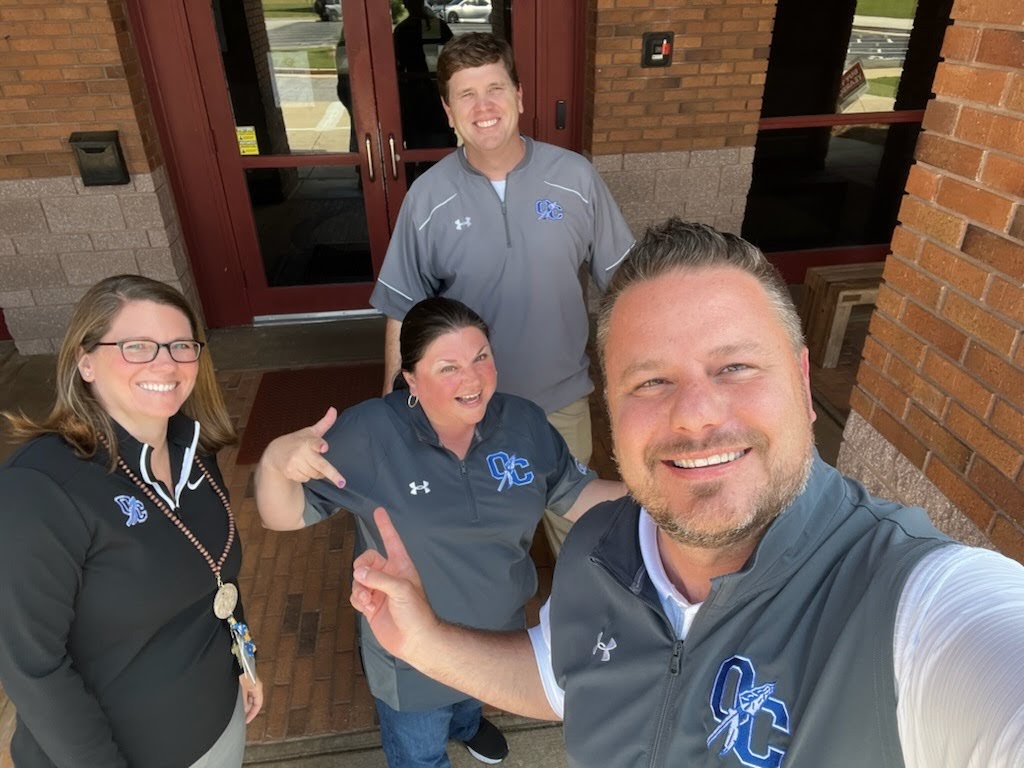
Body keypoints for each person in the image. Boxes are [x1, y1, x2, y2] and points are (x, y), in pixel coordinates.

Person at [348, 220, 1024, 767]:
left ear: (801, 379)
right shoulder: (595, 552)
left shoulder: (914, 608)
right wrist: (425, 642)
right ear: (610, 406)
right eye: (650, 381)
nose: (697, 413)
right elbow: (561, 681)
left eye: (734, 366)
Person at [255, 297, 625, 768]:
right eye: (448, 367)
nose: (472, 380)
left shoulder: (524, 422)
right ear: (410, 378)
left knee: (470, 700)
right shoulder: (370, 433)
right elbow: (282, 515)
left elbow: (577, 495)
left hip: (498, 636)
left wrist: (666, 493)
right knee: (420, 754)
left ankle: (467, 725)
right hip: (411, 655)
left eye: (481, 357)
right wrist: (274, 463)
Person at [369, 32, 635, 557]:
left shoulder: (575, 179)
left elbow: (626, 290)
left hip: (560, 399)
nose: (483, 106)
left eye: (495, 88)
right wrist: (393, 409)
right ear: (448, 111)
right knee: (483, 537)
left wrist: (641, 381)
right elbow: (403, 312)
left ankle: (590, 629)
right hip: (468, 405)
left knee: (580, 532)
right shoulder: (427, 198)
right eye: (466, 95)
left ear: (519, 96)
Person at [0, 275, 263, 767]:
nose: (166, 363)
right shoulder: (38, 490)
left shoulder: (193, 451)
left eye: (181, 345)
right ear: (85, 361)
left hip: (221, 727)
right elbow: (33, 669)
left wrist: (242, 655)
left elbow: (215, 574)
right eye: (137, 346)